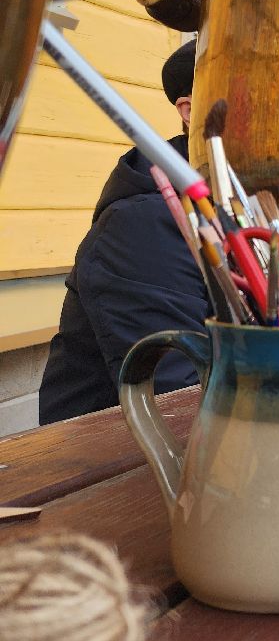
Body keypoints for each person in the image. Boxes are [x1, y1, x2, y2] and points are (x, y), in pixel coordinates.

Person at [39, 41, 205, 423]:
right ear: (191, 111)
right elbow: (185, 411)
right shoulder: (144, 227)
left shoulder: (261, 205)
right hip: (116, 458)